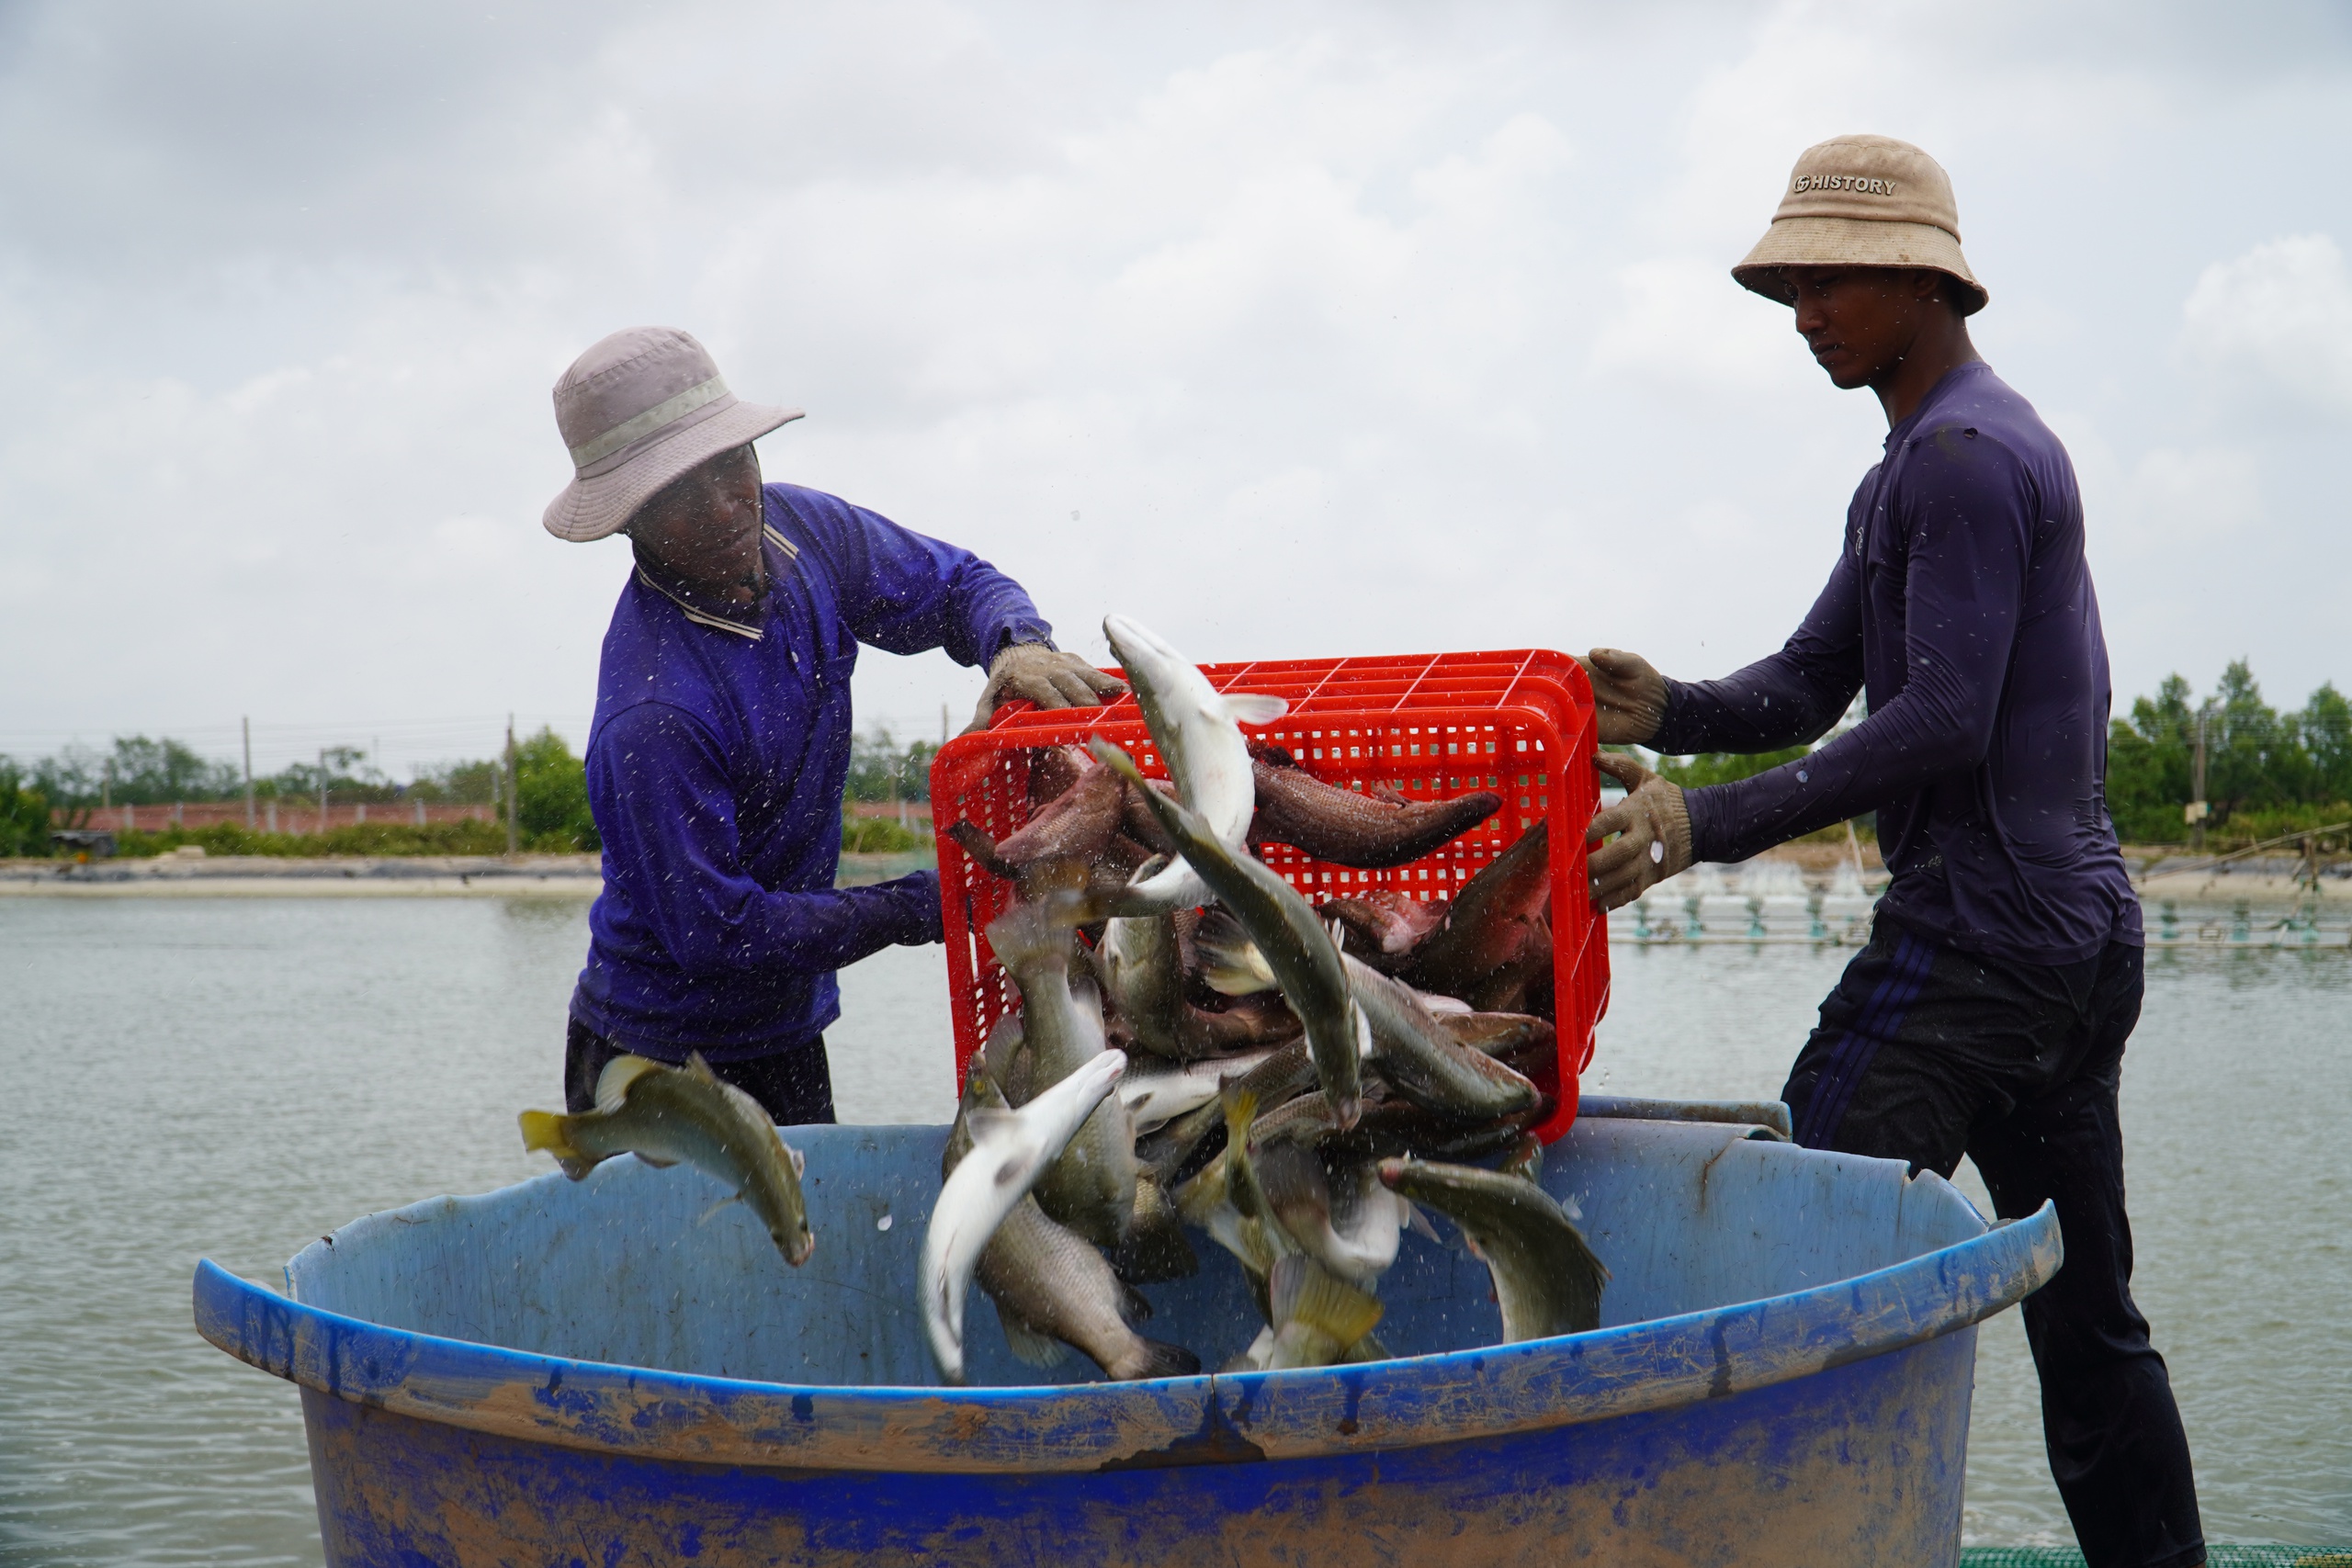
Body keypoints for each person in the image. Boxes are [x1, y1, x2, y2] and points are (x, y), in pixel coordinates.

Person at [1580, 137, 2203, 1568]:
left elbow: (1939, 718)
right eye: (1793, 286)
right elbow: (1813, 681)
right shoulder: (1917, 466)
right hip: (2072, 943)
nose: (1807, 311)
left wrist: (1700, 823)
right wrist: (1669, 709)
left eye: (1837, 280)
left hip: (1979, 943)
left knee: (1792, 1253)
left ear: (1926, 282)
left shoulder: (1965, 460)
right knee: (2089, 1321)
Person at [541, 325, 1123, 1127]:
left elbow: (958, 586)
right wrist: (921, 905)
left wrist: (1016, 644)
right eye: (680, 494)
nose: (726, 504)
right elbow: (720, 934)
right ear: (628, 519)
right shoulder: (653, 716)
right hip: (657, 1056)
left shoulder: (801, 531)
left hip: (787, 1027)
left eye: (731, 463)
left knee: (805, 1207)